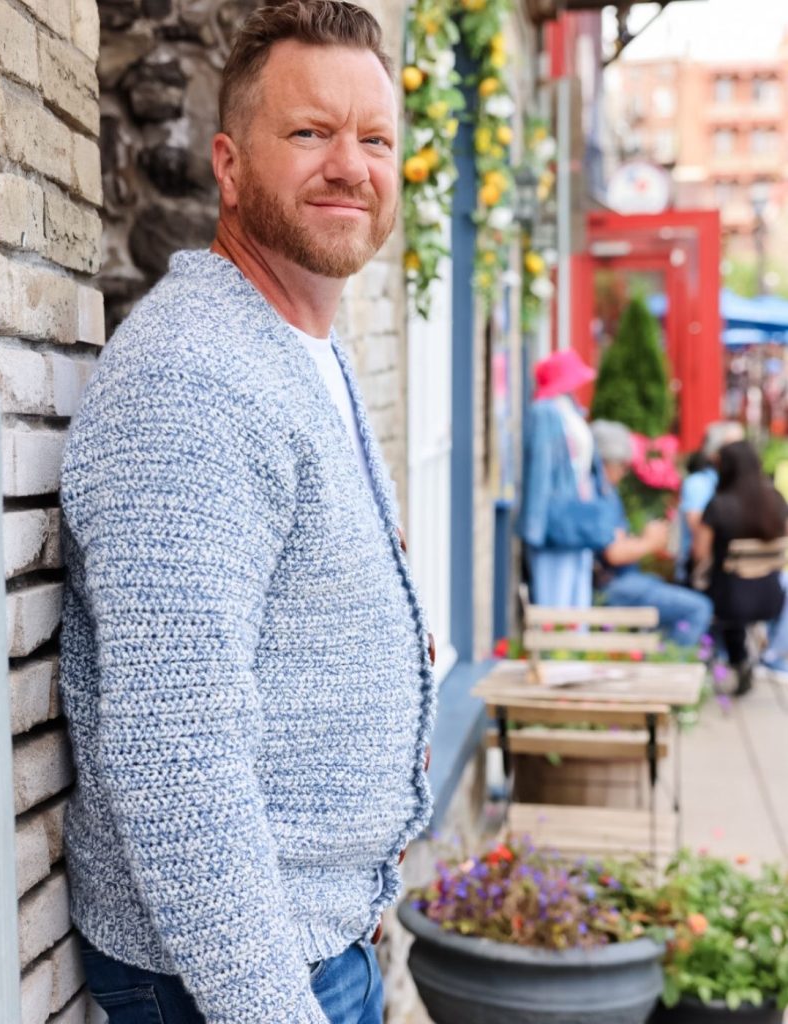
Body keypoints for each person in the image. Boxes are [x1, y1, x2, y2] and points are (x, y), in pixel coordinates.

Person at [58, 4, 434, 1022]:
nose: (348, 165)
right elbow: (178, 752)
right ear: (227, 166)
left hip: (311, 943)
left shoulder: (300, 346)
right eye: (309, 133)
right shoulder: (193, 378)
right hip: (233, 983)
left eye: (373, 138)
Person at [591, 421, 713, 647]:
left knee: (663, 588)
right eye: (621, 466)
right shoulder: (597, 495)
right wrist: (649, 542)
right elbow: (614, 553)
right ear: (604, 462)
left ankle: (660, 657)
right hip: (612, 584)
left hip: (624, 580)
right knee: (699, 609)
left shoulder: (607, 493)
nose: (624, 472)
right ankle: (671, 666)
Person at [694, 439, 788, 694]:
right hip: (770, 594)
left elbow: (699, 553)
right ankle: (760, 657)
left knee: (697, 583)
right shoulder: (776, 500)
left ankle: (726, 657)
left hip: (730, 598)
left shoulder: (718, 505)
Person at [519, 348, 599, 607]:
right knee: (555, 599)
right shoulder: (545, 412)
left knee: (576, 598)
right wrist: (534, 528)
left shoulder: (570, 409)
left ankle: (574, 647)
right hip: (556, 521)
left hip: (575, 517)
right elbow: (539, 471)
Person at [676, 420, 744, 584]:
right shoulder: (698, 483)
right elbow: (699, 532)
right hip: (701, 571)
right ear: (715, 453)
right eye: (734, 448)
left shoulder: (740, 485)